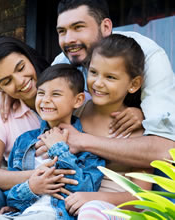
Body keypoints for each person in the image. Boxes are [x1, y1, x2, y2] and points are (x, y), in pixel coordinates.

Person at [0, 36, 77, 220]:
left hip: (70, 190)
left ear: (29, 57)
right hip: (23, 191)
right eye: (7, 82)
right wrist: (35, 179)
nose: (20, 81)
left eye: (21, 68)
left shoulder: (67, 88)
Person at [51, 0, 175, 169]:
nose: (69, 39)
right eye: (62, 31)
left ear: (106, 27)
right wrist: (9, 94)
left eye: (78, 27)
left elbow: (166, 151)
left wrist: (83, 140)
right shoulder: (64, 61)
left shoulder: (149, 56)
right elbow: (44, 101)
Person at [0, 64, 105, 220]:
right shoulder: (24, 142)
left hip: (57, 215)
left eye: (55, 94)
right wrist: (32, 188)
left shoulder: (89, 146)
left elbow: (85, 190)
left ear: (78, 100)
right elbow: (12, 198)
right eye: (41, 93)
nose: (45, 100)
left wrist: (59, 149)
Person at [64, 34, 152, 219]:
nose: (98, 83)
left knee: (91, 212)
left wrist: (93, 198)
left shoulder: (136, 129)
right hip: (66, 204)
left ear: (134, 84)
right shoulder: (75, 110)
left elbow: (141, 198)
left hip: (113, 210)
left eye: (110, 77)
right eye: (93, 72)